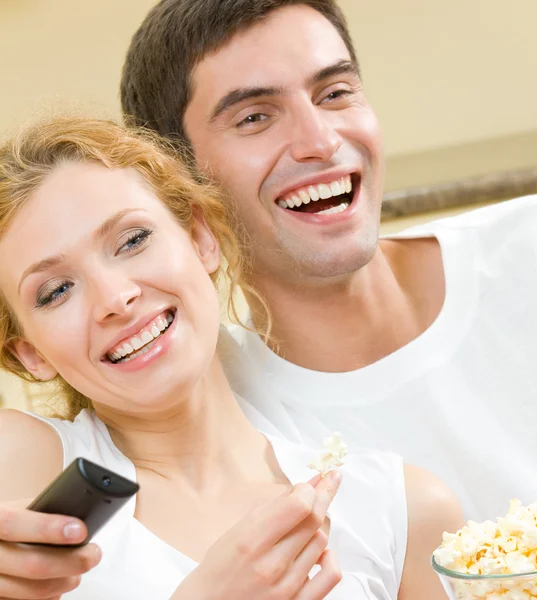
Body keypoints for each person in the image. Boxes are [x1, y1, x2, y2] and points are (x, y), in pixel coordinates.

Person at [120, 0, 537, 522]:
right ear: (179, 183)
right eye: (255, 117)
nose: (321, 141)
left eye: (335, 93)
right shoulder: (223, 414)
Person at [0, 116, 462, 599]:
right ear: (30, 353)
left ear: (202, 238)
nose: (115, 297)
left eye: (133, 240)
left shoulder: (397, 511)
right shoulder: (23, 469)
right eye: (56, 291)